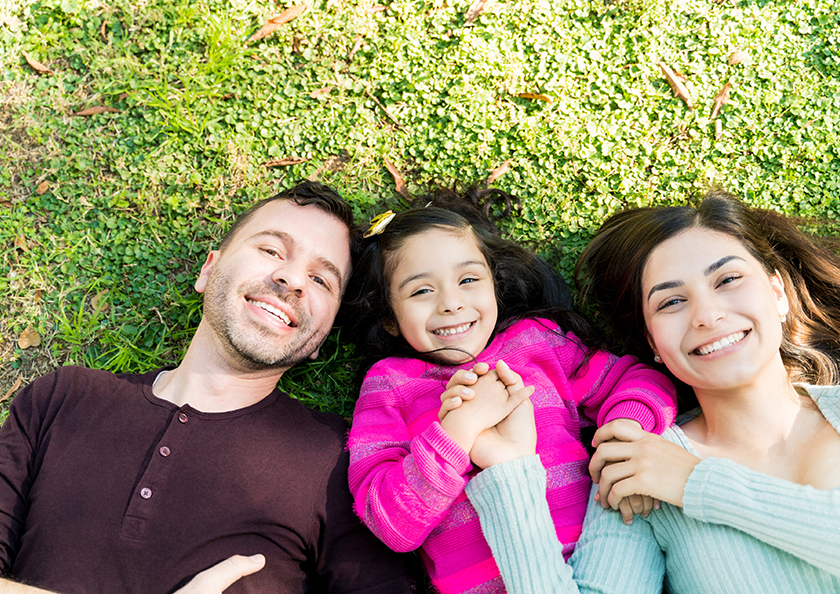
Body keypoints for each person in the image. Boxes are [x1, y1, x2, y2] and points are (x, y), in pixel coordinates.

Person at [0, 181, 422, 594]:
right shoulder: (62, 399)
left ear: (322, 335)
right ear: (208, 268)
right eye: (272, 250)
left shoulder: (342, 461)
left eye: (321, 281)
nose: (292, 279)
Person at [460, 189, 840, 593]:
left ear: (777, 293)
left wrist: (696, 482)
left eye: (728, 279)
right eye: (672, 301)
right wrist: (508, 468)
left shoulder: (670, 470)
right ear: (653, 343)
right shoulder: (639, 467)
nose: (707, 316)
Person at [341, 187, 677, 594]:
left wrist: (626, 433)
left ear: (494, 286)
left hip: (603, 560)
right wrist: (456, 434)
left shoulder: (537, 344)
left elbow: (638, 379)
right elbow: (390, 523)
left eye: (468, 279)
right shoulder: (389, 385)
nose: (450, 302)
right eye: (421, 291)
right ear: (390, 318)